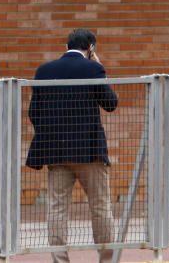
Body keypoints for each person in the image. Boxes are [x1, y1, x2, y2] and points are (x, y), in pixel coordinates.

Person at [25, 28, 117, 263]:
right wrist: (100, 66)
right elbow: (110, 103)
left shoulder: (44, 71)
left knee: (57, 207)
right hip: (88, 151)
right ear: (91, 48)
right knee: (100, 205)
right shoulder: (93, 68)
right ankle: (106, 259)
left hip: (56, 151)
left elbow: (34, 112)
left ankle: (60, 260)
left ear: (67, 46)